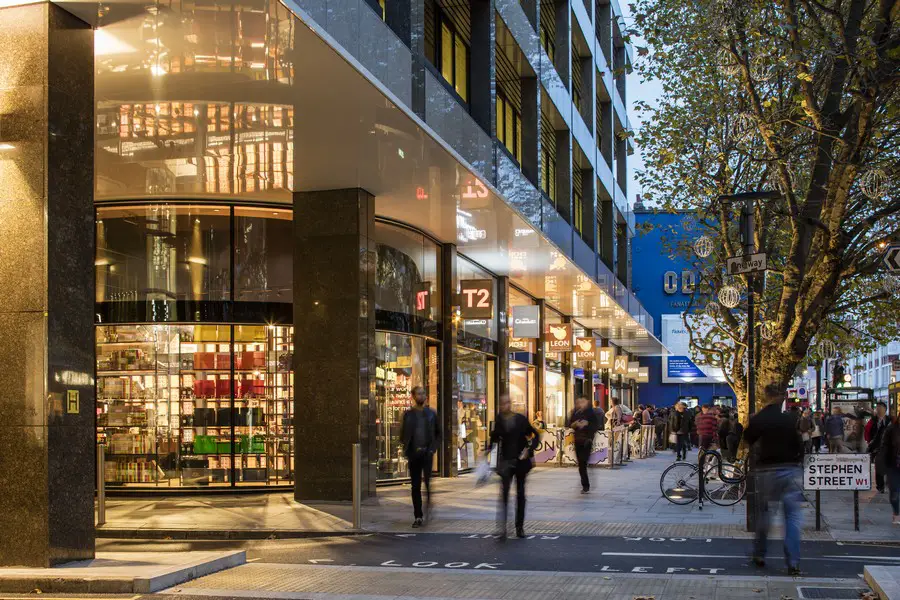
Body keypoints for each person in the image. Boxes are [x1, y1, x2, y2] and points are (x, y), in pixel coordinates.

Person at [743, 390, 804, 575]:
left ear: (765, 398)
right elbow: (799, 445)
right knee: (792, 518)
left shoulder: (759, 418)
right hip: (790, 469)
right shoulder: (788, 420)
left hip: (767, 470)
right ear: (781, 399)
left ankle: (760, 554)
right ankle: (793, 562)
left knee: (764, 513)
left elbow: (747, 439)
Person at [487, 394, 540, 539]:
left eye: (506, 403)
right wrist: (488, 455)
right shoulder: (499, 420)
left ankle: (519, 527)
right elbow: (494, 439)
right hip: (506, 462)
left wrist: (528, 451)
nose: (504, 406)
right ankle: (502, 527)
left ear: (510, 404)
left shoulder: (520, 419)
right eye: (501, 404)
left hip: (521, 462)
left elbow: (535, 436)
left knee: (520, 494)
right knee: (504, 495)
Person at [400, 386, 440, 528]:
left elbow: (438, 433)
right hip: (414, 455)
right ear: (413, 396)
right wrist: (407, 449)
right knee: (415, 486)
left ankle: (428, 506)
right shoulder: (408, 415)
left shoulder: (431, 414)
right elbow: (403, 434)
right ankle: (418, 516)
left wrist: (432, 449)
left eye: (423, 394)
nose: (422, 396)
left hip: (427, 454)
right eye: (419, 394)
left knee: (428, 484)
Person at [567, 396, 600, 493]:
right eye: (579, 402)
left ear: (587, 402)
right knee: (581, 464)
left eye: (583, 402)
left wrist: (587, 424)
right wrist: (575, 424)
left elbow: (596, 426)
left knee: (583, 462)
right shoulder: (575, 412)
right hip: (577, 440)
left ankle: (585, 485)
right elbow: (569, 423)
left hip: (587, 441)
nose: (581, 404)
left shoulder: (591, 413)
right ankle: (585, 484)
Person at [880, 418, 900, 525]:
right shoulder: (891, 429)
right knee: (894, 492)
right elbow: (884, 447)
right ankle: (896, 513)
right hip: (893, 465)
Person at [866, 402, 889, 493]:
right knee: (879, 466)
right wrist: (870, 442)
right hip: (877, 447)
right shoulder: (873, 420)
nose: (878, 409)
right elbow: (868, 432)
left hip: (889, 447)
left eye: (880, 407)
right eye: (877, 407)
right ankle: (880, 486)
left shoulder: (890, 420)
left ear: (885, 409)